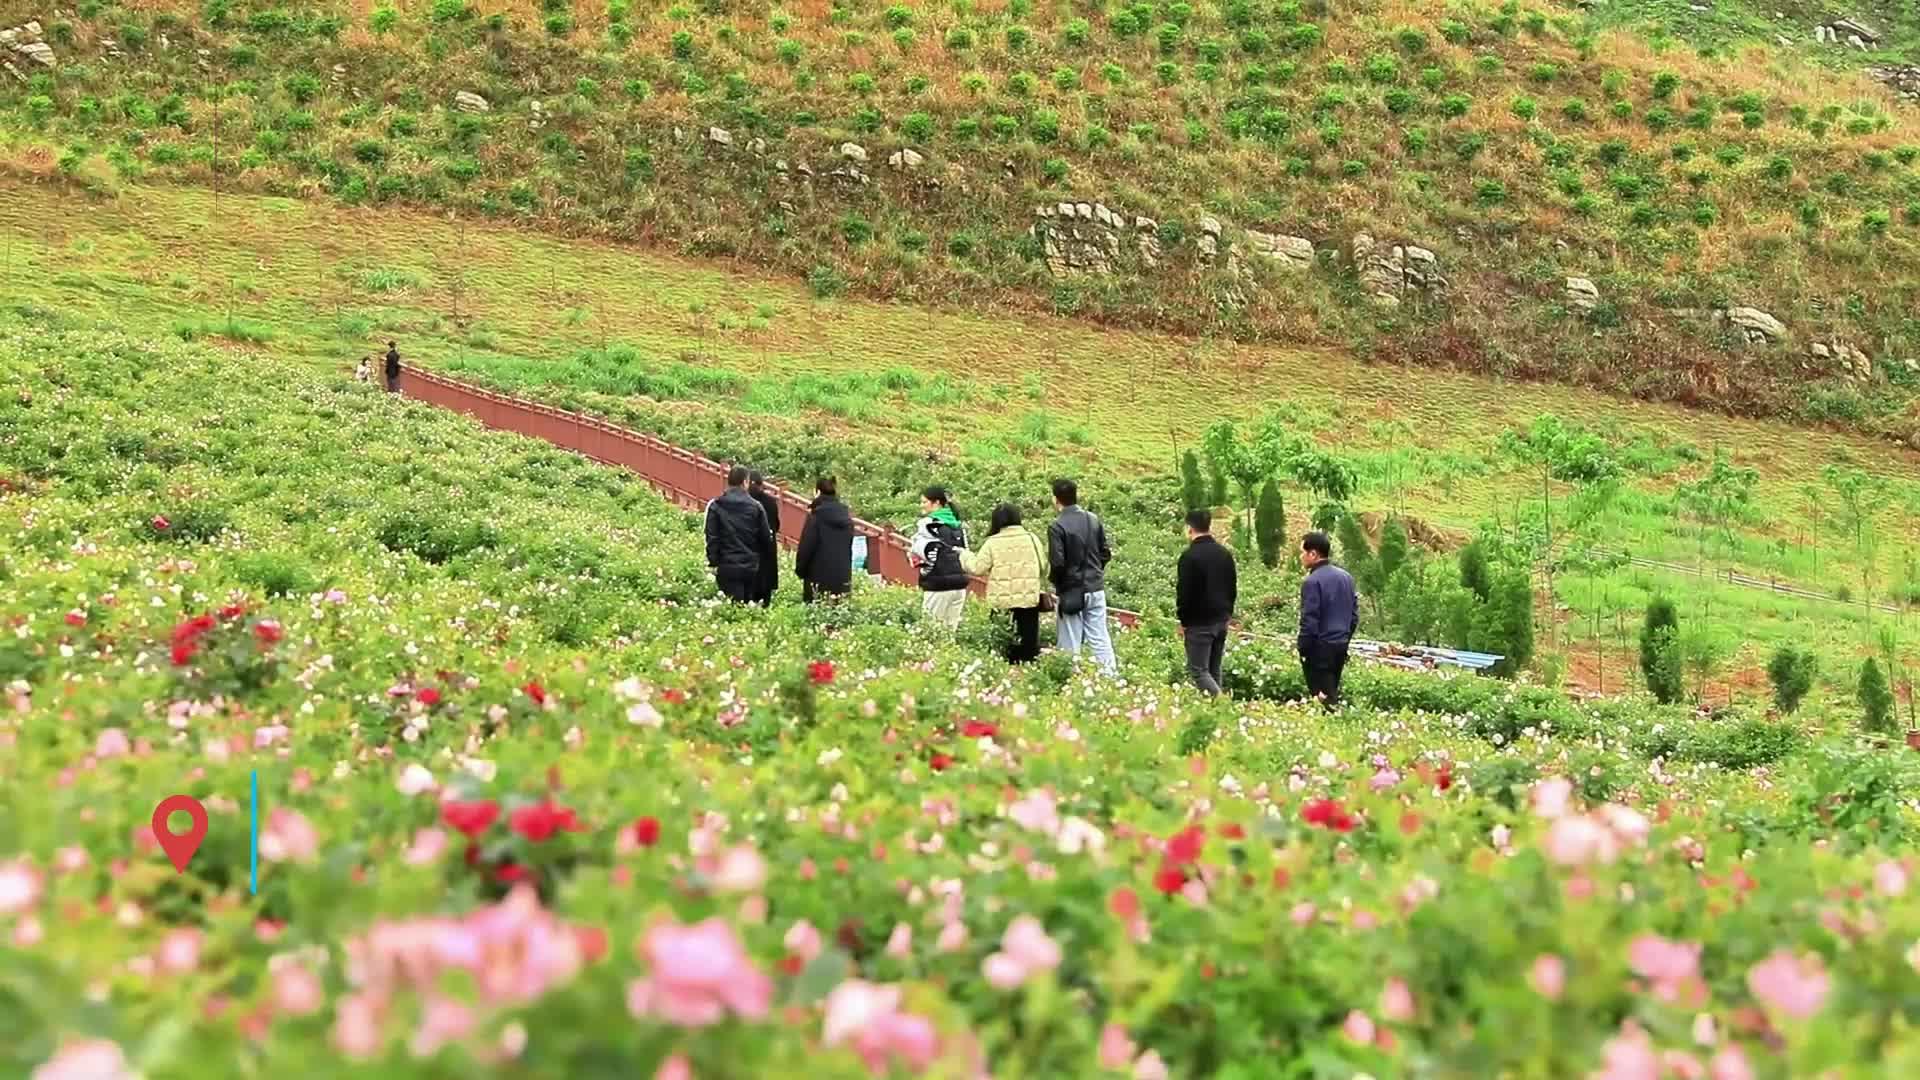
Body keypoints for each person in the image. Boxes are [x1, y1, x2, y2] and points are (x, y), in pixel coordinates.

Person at [961, 503, 1048, 663]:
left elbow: (977, 568)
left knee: (1004, 646)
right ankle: (1028, 677)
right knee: (1028, 646)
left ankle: (1005, 678)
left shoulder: (992, 542)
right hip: (1028, 600)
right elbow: (1043, 567)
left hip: (1001, 603)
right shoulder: (1032, 538)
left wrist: (964, 555)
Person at [1047, 478, 1117, 675]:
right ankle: (1111, 679)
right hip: (1095, 588)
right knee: (1100, 638)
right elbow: (1105, 553)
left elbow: (1057, 563)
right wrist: (1095, 571)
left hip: (1071, 592)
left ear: (1056, 499)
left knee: (1070, 642)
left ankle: (1069, 680)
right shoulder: (1093, 519)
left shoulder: (1057, 526)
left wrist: (1057, 583)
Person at [1176, 509, 1237, 696]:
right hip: (1221, 619)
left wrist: (1183, 621)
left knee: (1198, 670)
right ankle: (1215, 713)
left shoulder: (1189, 557)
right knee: (1213, 669)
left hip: (1199, 622)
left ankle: (1222, 705)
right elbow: (1232, 587)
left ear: (1189, 528)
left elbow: (1185, 593)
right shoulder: (1224, 553)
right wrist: (1228, 614)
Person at [1297, 530, 1360, 709]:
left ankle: (1331, 729)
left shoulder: (1312, 582)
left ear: (1313, 554)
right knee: (1331, 689)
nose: (1301, 557)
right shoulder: (1346, 578)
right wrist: (1345, 638)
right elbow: (1354, 616)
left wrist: (1303, 647)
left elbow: (1310, 619)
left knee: (1322, 696)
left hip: (1320, 647)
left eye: (1302, 552)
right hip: (1340, 644)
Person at [705, 466, 769, 603]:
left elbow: (712, 537)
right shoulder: (756, 507)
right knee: (747, 605)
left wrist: (714, 561)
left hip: (726, 564)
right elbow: (765, 537)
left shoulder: (716, 505)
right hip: (750, 565)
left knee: (731, 608)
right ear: (745, 482)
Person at [911, 486, 970, 630]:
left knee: (930, 629)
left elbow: (918, 550)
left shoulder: (928, 524)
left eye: (924, 502)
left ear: (936, 503)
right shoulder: (957, 525)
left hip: (938, 583)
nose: (921, 506)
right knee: (950, 630)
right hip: (959, 584)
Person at [795, 476, 855, 603]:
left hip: (817, 578)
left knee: (817, 615)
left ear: (817, 492)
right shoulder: (847, 518)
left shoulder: (816, 516)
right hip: (842, 577)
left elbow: (806, 547)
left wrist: (800, 570)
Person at [747, 472, 781, 606]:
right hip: (767, 550)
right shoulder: (770, 502)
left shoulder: (746, 501)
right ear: (762, 484)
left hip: (748, 550)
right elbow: (776, 525)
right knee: (765, 590)